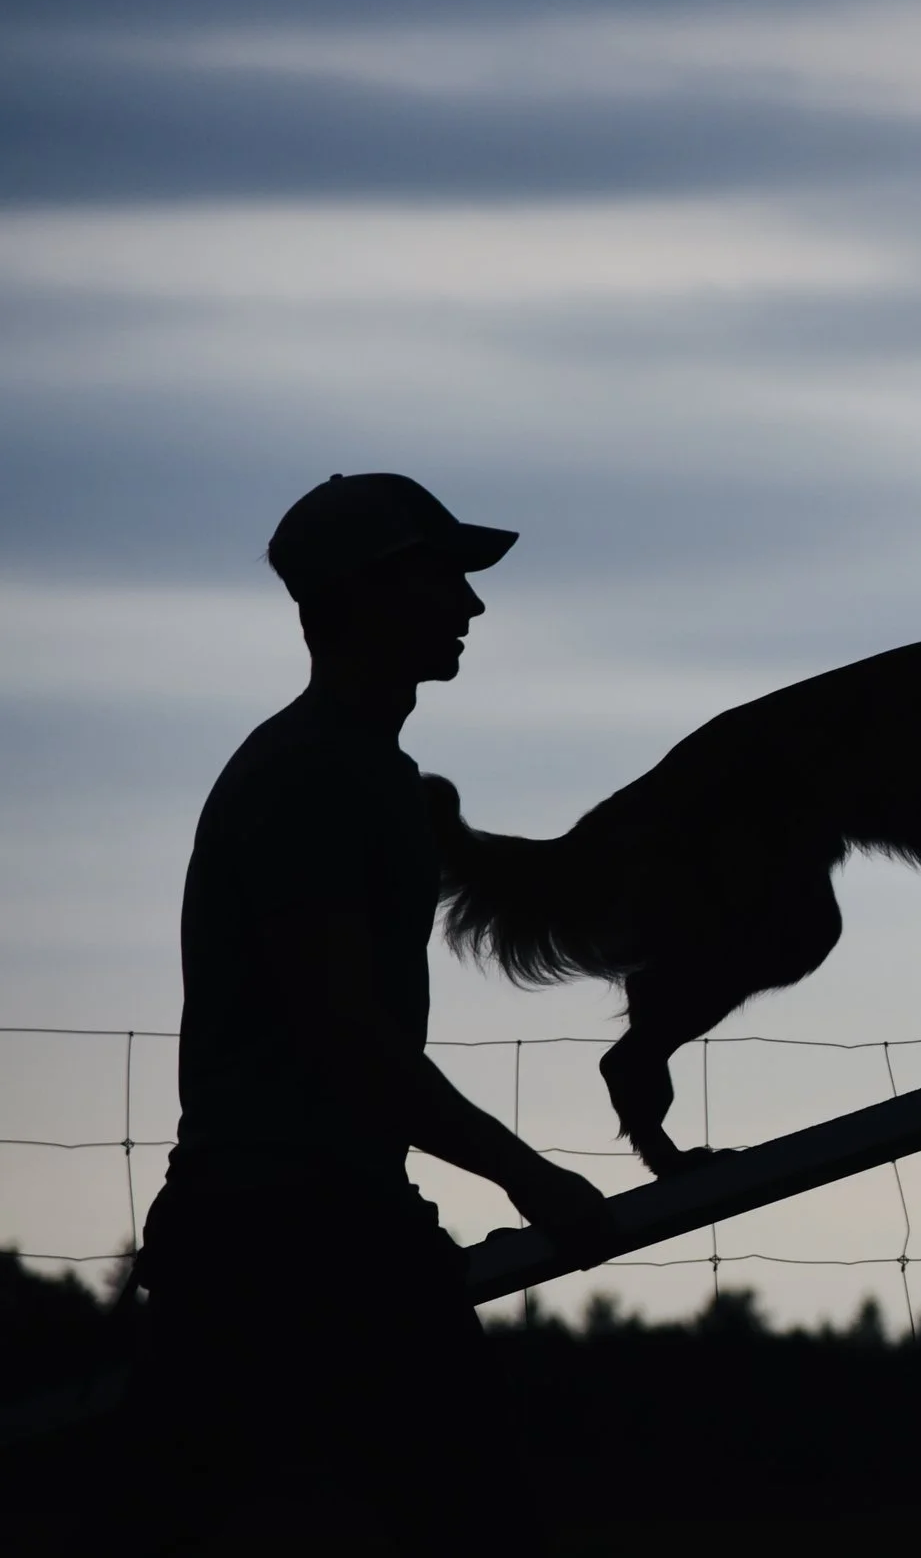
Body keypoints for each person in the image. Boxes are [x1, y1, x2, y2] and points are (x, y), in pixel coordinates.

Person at [126, 474, 612, 1554]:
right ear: (366, 594)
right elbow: (342, 1031)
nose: (470, 605)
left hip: (272, 1225)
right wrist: (529, 1176)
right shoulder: (318, 777)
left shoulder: (351, 769)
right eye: (441, 578)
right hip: (298, 1237)